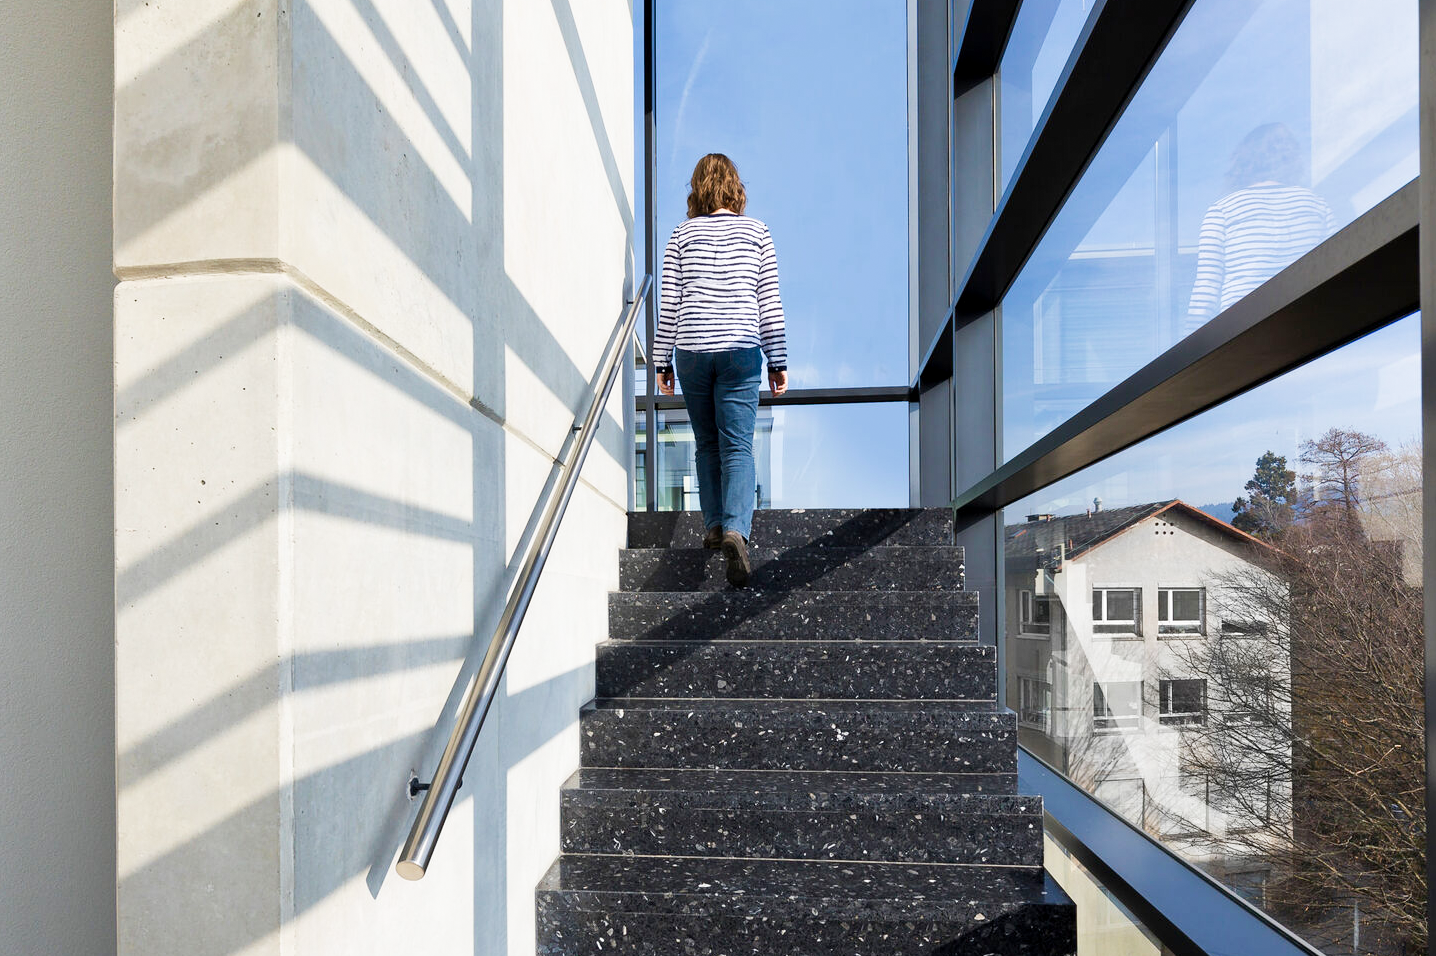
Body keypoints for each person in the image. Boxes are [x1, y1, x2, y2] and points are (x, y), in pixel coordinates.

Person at [653, 153, 789, 587]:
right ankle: (735, 530)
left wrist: (661, 361)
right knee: (738, 446)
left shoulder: (682, 234)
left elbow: (669, 303)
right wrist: (778, 359)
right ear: (735, 186)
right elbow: (769, 302)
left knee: (707, 443)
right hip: (739, 349)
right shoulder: (757, 232)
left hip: (692, 349)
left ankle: (713, 526)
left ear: (697, 189)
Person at [1185, 123, 1335, 336]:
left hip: (1241, 330)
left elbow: (1207, 286)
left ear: (1244, 162)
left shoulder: (1223, 210)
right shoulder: (1316, 205)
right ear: (1291, 158)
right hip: (1307, 323)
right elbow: (1333, 266)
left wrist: (1190, 346)